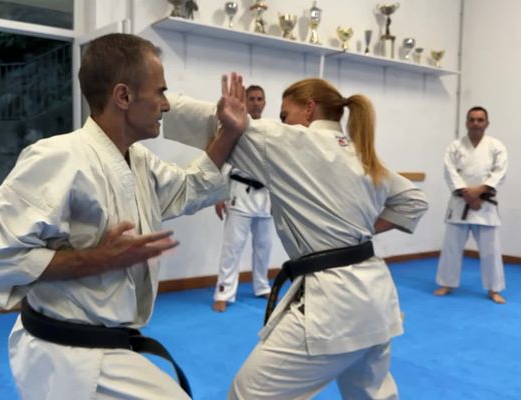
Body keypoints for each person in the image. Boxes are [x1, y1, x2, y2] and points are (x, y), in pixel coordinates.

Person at [0, 33, 246, 400]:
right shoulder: (59, 157)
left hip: (105, 347)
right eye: (160, 92)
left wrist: (229, 133)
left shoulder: (138, 161)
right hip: (66, 354)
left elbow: (189, 187)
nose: (166, 105)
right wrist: (97, 259)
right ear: (123, 96)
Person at [163, 78, 428, 399]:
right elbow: (413, 201)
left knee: (247, 394)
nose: (282, 122)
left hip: (336, 306)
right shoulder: (363, 155)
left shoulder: (291, 141)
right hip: (377, 300)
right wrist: (351, 234)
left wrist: (151, 95)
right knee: (371, 395)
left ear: (309, 108)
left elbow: (213, 117)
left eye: (285, 114)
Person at [433, 106, 508, 304]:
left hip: (485, 204)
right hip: (460, 202)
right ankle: (447, 283)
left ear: (487, 123)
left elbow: (500, 173)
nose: (476, 123)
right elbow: (449, 172)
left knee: (491, 250)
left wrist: (479, 192)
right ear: (466, 122)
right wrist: (467, 194)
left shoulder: (496, 146)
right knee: (451, 247)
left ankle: (494, 289)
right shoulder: (455, 146)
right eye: (472, 120)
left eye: (480, 120)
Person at [213, 85, 273, 313]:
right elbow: (224, 161)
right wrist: (218, 194)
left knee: (264, 246)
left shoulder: (271, 130)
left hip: (266, 197)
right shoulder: (236, 128)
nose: (256, 102)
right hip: (239, 194)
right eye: (252, 99)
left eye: (260, 98)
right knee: (232, 247)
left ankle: (262, 285)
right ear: (245, 102)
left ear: (265, 102)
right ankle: (224, 291)